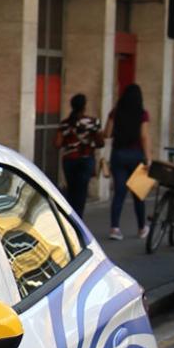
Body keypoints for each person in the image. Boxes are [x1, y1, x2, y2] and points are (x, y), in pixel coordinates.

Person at [104, 81, 151, 241]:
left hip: (118, 155)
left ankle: (115, 228)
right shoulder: (142, 114)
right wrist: (148, 157)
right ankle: (141, 228)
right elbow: (144, 136)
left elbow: (108, 134)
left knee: (119, 193)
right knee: (139, 194)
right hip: (137, 155)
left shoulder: (115, 112)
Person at [56, 92, 102, 219]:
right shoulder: (93, 122)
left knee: (71, 190)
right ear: (84, 106)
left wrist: (70, 142)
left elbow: (57, 143)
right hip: (86, 159)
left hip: (69, 160)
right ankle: (78, 220)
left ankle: (70, 217)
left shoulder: (65, 123)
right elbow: (100, 142)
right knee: (81, 192)